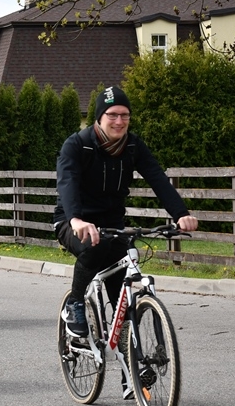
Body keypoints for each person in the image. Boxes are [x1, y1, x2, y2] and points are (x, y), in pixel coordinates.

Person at [54, 86, 197, 342]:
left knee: (123, 301)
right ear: (99, 116)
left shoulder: (133, 146)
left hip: (112, 224)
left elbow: (157, 178)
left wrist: (181, 213)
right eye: (112, 115)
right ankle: (74, 303)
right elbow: (68, 182)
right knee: (94, 245)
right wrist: (76, 219)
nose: (119, 121)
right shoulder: (78, 145)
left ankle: (129, 371)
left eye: (125, 115)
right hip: (73, 222)